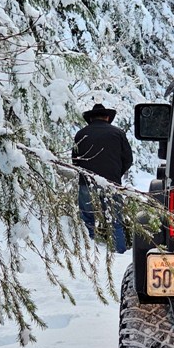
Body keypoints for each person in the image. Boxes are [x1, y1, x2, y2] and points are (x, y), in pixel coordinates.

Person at [72, 103, 133, 252]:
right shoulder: (118, 133)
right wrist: (116, 174)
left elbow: (75, 161)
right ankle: (119, 252)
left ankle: (91, 252)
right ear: (107, 117)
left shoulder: (81, 134)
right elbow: (128, 159)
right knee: (114, 220)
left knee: (87, 220)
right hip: (111, 183)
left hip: (86, 182)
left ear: (91, 118)